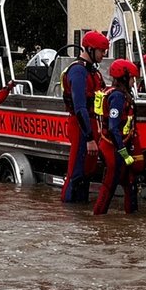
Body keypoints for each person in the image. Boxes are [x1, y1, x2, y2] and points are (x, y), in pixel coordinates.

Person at [60, 30, 109, 204]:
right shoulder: (78, 71)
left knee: (87, 172)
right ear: (90, 49)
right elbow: (80, 107)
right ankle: (69, 213)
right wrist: (89, 137)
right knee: (76, 173)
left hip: (92, 124)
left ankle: (81, 214)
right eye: (102, 51)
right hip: (81, 125)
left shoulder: (94, 72)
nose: (104, 55)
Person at [91, 57, 142, 216]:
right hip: (112, 147)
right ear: (125, 77)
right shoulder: (117, 97)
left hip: (119, 145)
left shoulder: (121, 94)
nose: (134, 82)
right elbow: (113, 128)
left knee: (130, 183)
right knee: (110, 184)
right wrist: (124, 153)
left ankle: (131, 219)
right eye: (132, 78)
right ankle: (98, 217)